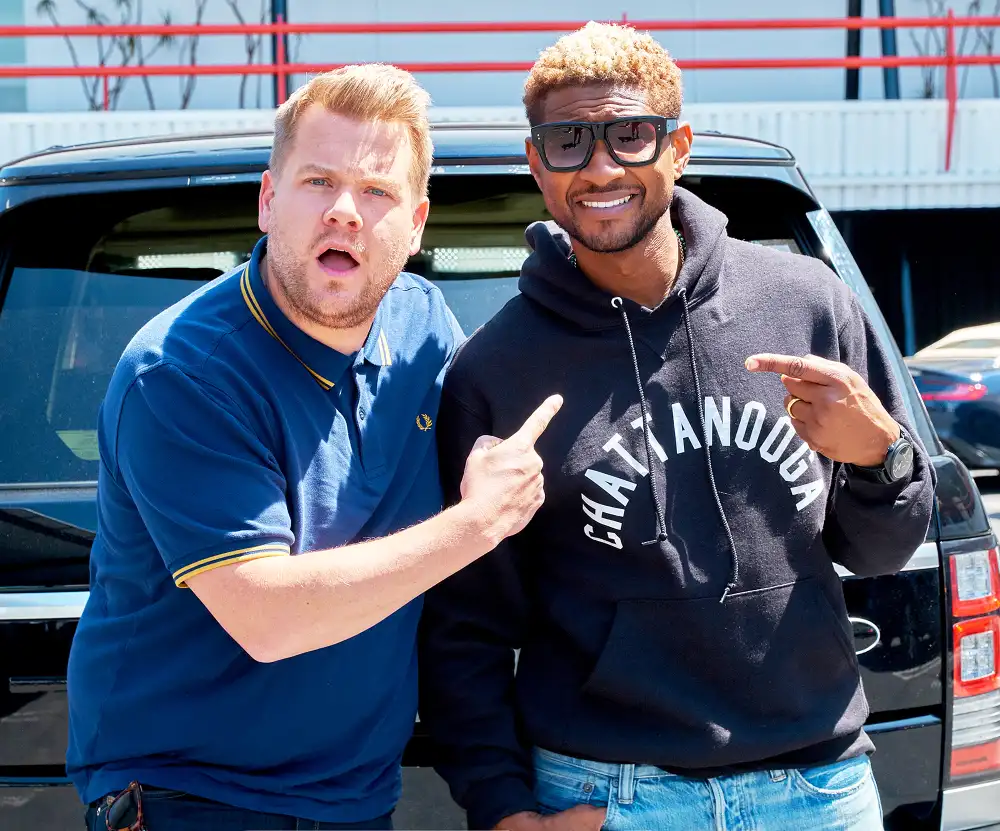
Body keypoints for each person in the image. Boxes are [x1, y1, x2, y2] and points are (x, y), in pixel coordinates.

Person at [417, 22, 936, 831]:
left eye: (630, 135)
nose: (600, 167)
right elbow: (463, 624)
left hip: (818, 790)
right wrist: (501, 805)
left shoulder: (806, 304)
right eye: (568, 142)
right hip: (608, 795)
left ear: (678, 145)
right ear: (536, 165)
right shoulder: (497, 371)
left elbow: (884, 549)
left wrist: (884, 458)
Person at [65, 63, 562, 831]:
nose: (345, 213)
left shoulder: (424, 326)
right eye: (317, 181)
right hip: (191, 802)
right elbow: (269, 617)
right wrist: (475, 523)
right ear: (268, 200)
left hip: (359, 800)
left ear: (418, 221)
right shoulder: (184, 372)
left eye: (377, 191)